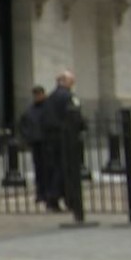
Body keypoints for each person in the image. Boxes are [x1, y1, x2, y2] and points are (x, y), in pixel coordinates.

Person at [39, 70, 85, 212]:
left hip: (51, 138)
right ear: (65, 82)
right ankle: (69, 199)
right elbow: (75, 115)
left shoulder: (50, 97)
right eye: (71, 81)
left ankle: (53, 200)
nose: (73, 84)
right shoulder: (69, 97)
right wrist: (82, 126)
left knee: (55, 168)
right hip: (66, 137)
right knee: (68, 169)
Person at [17, 85, 47, 206]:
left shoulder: (48, 109)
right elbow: (22, 124)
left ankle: (48, 192)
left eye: (39, 94)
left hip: (47, 142)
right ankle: (40, 193)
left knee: (48, 169)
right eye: (36, 94)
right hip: (36, 142)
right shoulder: (30, 111)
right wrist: (27, 136)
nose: (37, 97)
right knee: (39, 169)